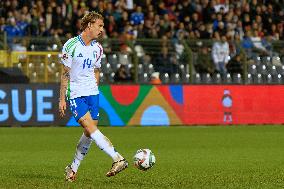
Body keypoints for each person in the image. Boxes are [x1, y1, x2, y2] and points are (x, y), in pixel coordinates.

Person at [58, 11, 128, 182]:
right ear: (89, 25)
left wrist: (95, 89)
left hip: (92, 93)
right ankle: (117, 158)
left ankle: (72, 169)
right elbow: (65, 74)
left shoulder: (98, 48)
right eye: (100, 25)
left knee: (90, 132)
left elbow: (96, 71)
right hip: (76, 94)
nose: (102, 29)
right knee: (91, 129)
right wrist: (62, 99)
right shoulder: (71, 45)